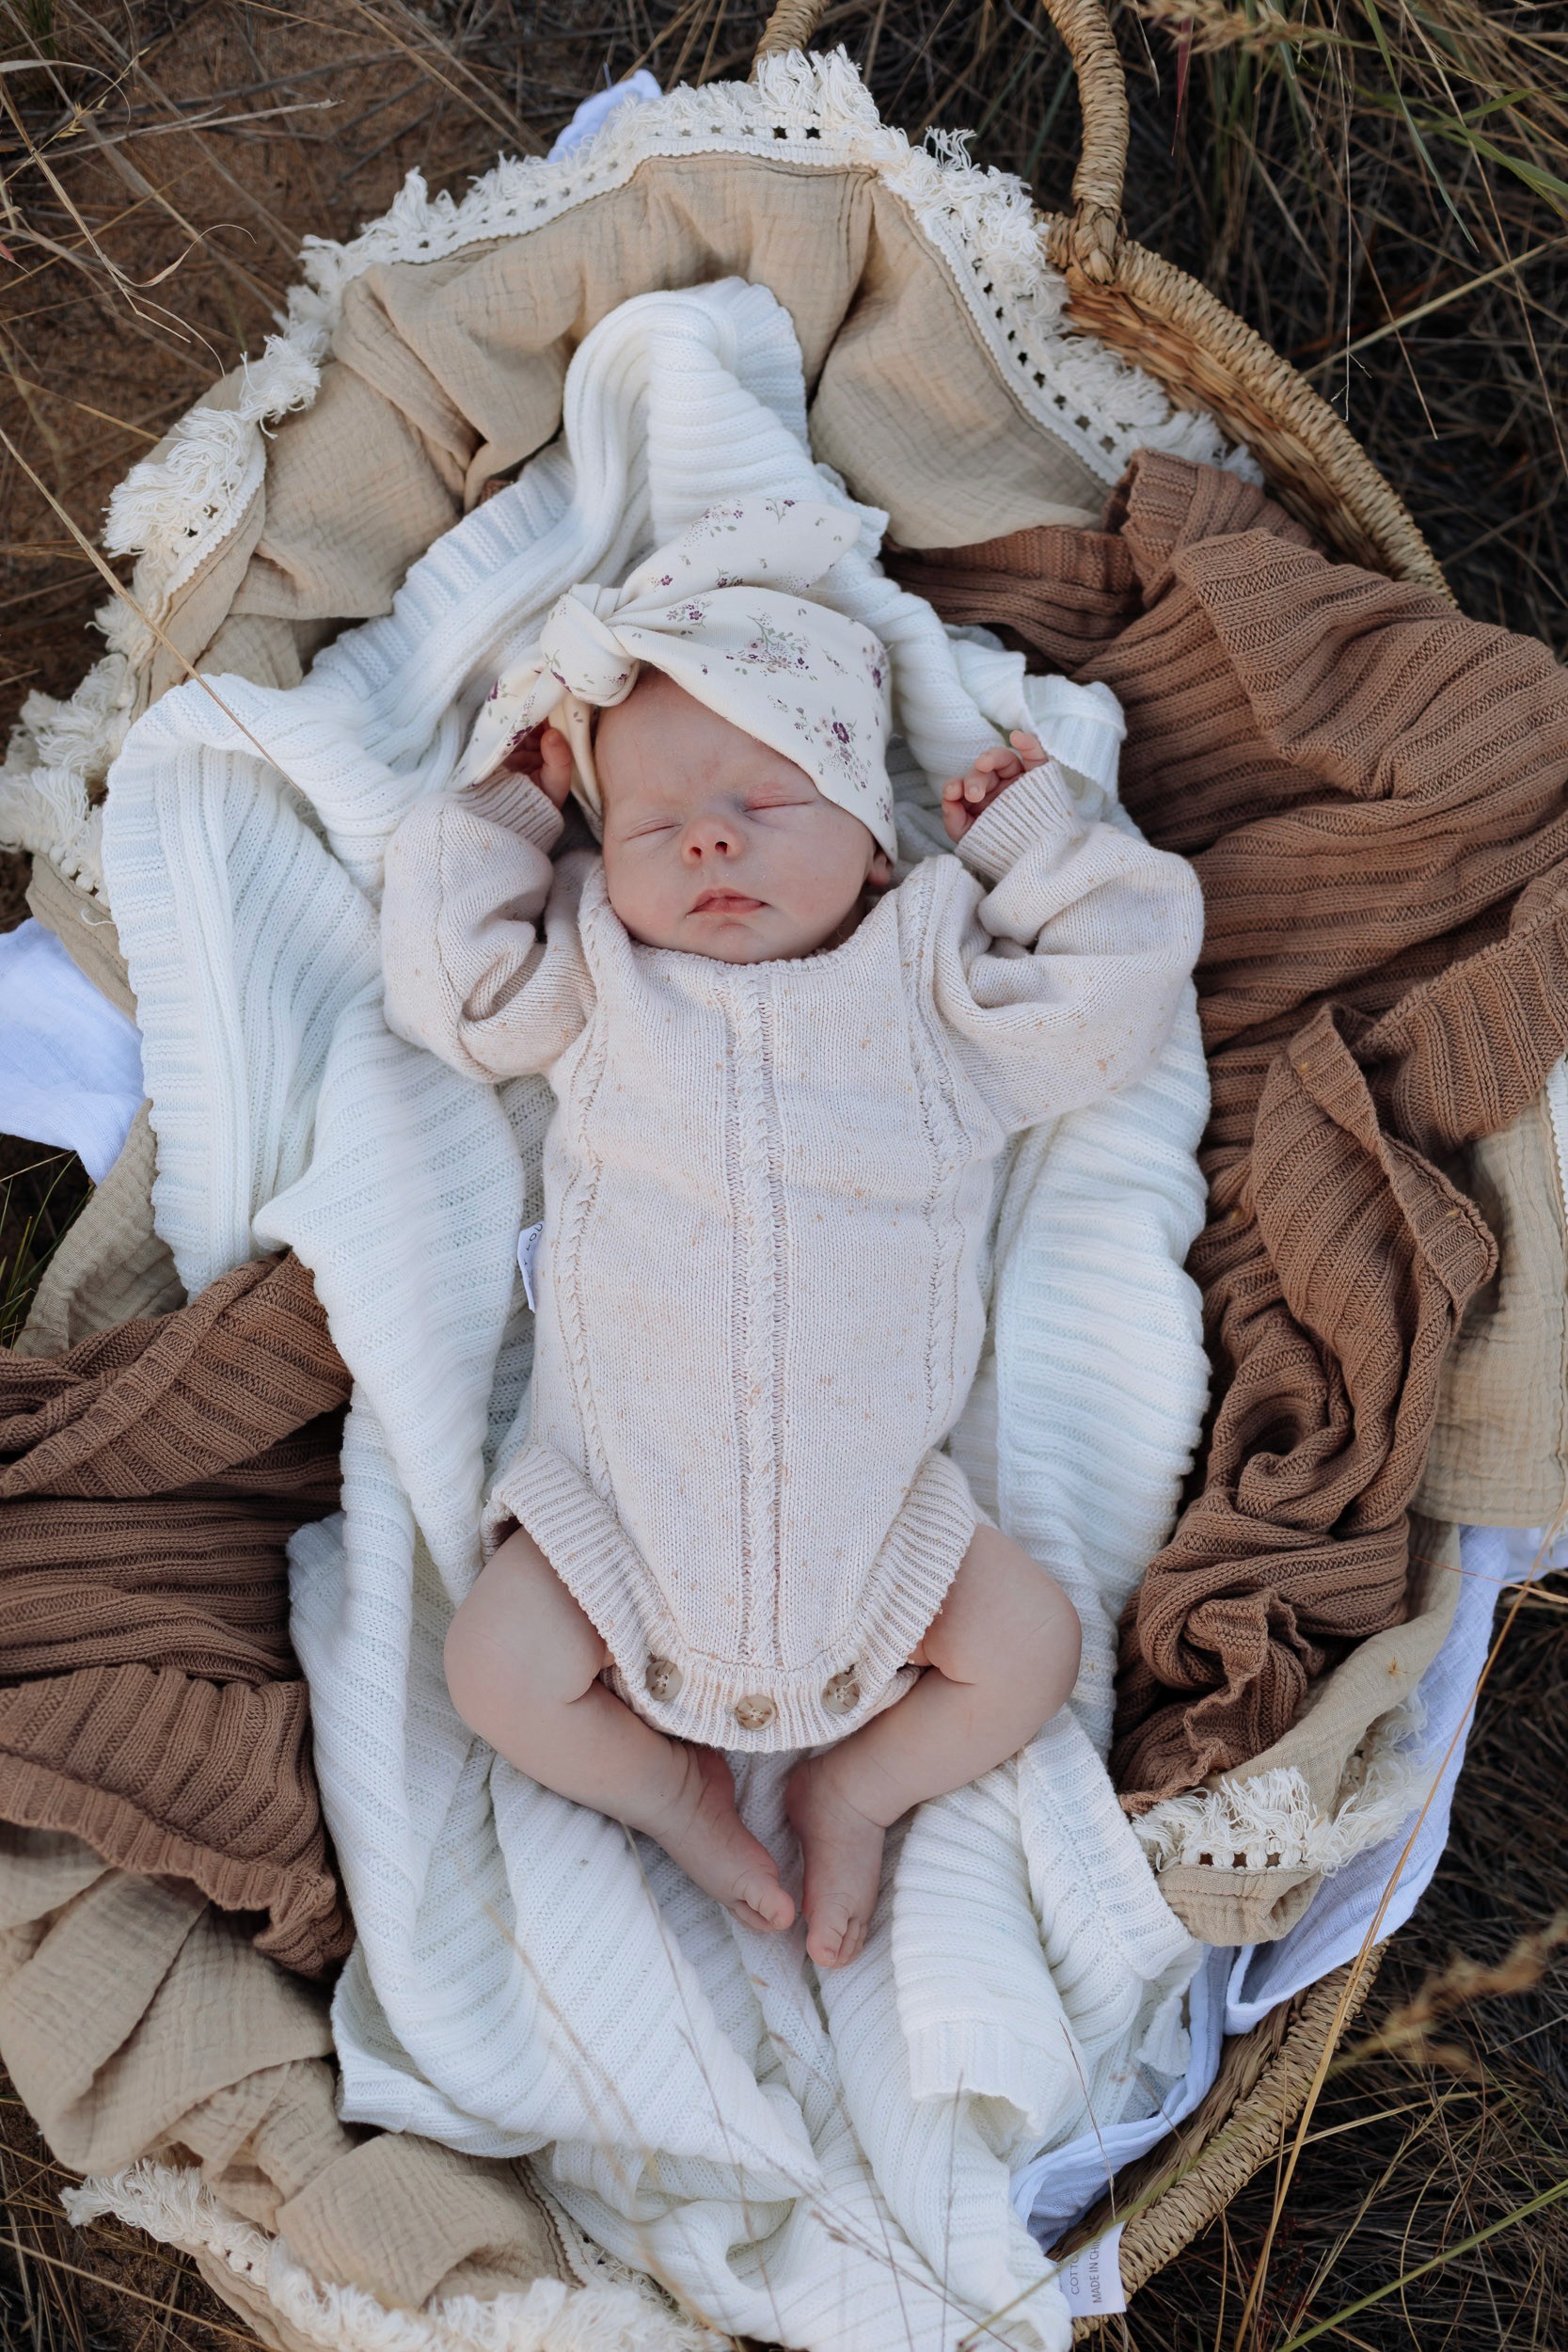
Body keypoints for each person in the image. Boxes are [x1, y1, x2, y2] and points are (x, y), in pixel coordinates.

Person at [380, 497, 1202, 1968]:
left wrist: (1034, 846)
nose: (708, 837)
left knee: (1030, 1651)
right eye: (651, 824)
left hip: (879, 1539)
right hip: (617, 1530)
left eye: (766, 802)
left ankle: (858, 1790)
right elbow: (451, 996)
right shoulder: (597, 984)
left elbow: (1119, 997)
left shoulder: (932, 987)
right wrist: (507, 816)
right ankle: (668, 1799)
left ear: (877, 849)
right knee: (494, 1672)